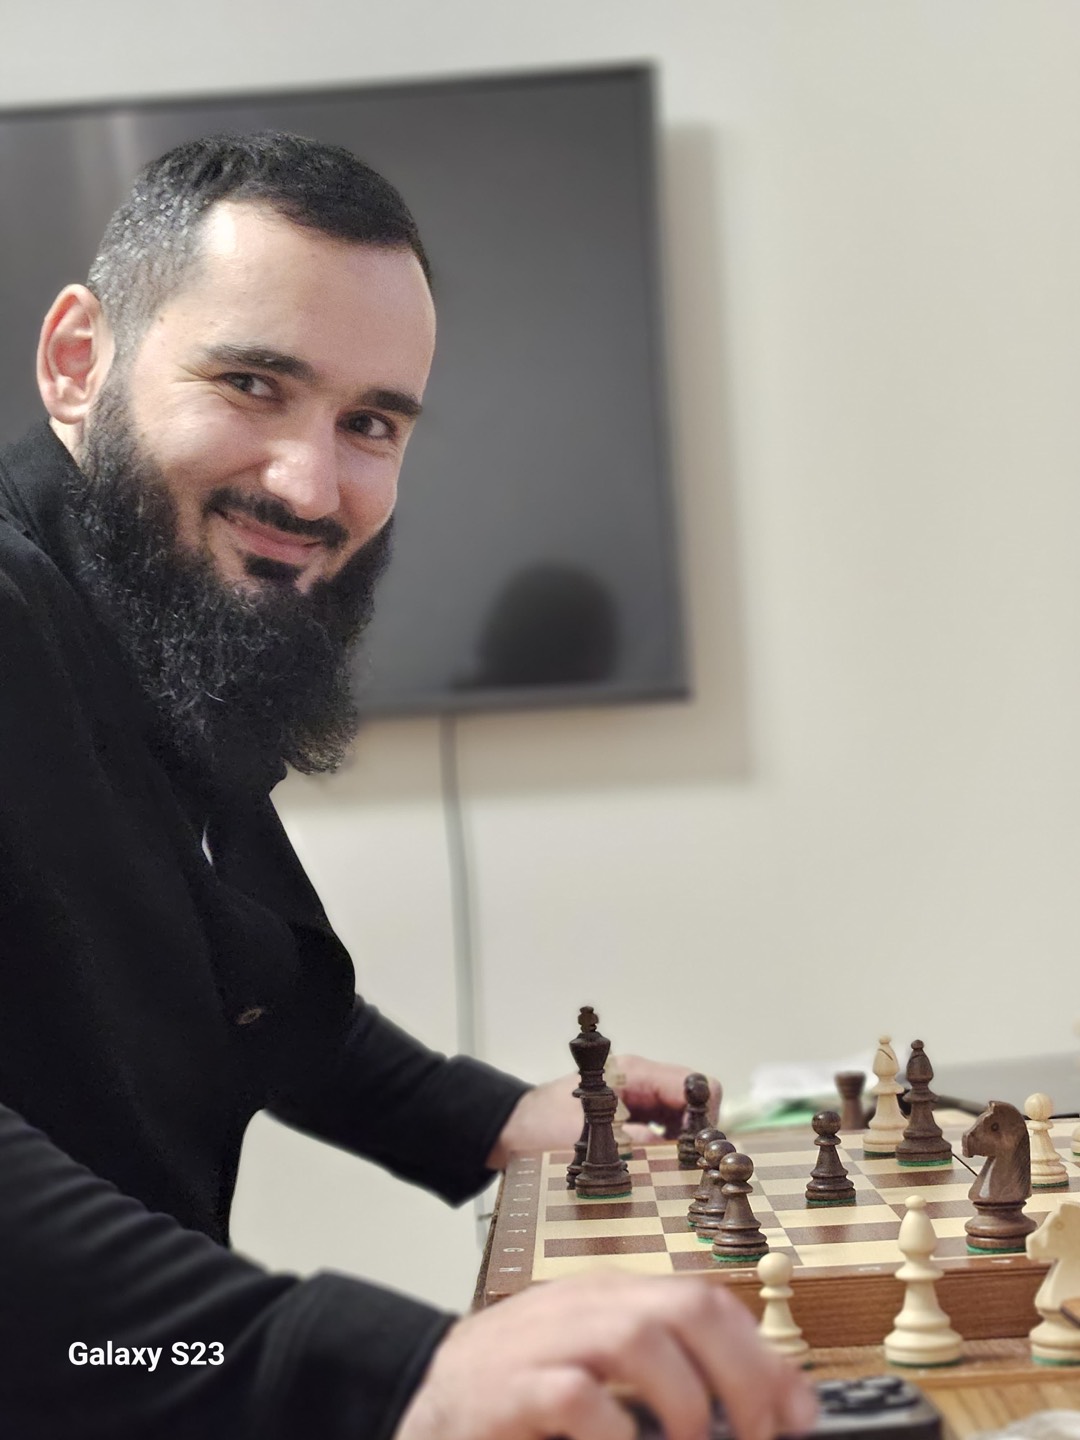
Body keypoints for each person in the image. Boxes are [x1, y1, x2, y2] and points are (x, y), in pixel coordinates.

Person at [0, 132, 816, 1440]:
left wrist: (495, 1118)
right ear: (77, 358)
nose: (311, 485)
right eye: (252, 383)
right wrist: (382, 1372)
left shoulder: (134, 621)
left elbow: (240, 978)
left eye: (370, 423)